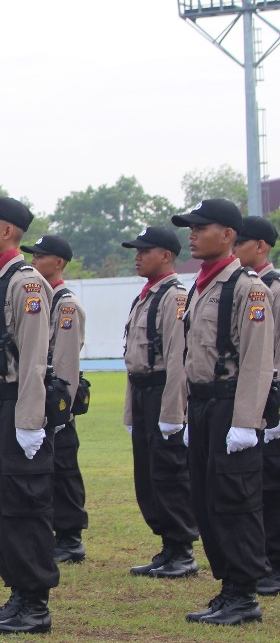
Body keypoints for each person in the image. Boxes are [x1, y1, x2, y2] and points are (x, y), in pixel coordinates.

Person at [0, 196, 57, 634]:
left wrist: (30, 420)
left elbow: (36, 357)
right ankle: (18, 594)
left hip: (20, 404)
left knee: (22, 504)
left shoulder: (25, 283)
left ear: (8, 231)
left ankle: (35, 603)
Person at [175, 199, 272, 625]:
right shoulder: (202, 285)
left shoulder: (249, 288)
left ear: (229, 234)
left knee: (236, 499)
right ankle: (228, 585)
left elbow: (256, 359)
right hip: (203, 404)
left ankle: (244, 594)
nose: (192, 234)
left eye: (201, 227)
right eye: (190, 228)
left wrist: (246, 422)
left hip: (232, 403)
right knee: (206, 499)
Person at [121, 227, 198, 578]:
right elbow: (133, 359)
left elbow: (177, 359)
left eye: (144, 250)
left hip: (162, 391)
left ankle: (182, 549)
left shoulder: (174, 297)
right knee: (148, 473)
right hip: (142, 390)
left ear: (166, 255)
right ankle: (168, 545)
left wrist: (172, 412)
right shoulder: (146, 296)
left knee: (169, 471)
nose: (137, 256)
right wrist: (130, 409)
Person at [22, 234, 90, 564]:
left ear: (59, 263)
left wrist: (62, 409)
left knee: (63, 469)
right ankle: (55, 530)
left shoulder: (65, 304)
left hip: (56, 400)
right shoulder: (42, 298)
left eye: (41, 256)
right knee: (46, 469)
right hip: (40, 396)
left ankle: (70, 536)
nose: (34, 260)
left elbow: (65, 362)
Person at [234, 216, 280, 597]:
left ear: (262, 246)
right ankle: (261, 557)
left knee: (272, 483)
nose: (235, 249)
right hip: (251, 395)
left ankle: (275, 562)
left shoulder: (273, 288)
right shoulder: (243, 287)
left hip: (273, 396)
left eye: (242, 242)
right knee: (254, 484)